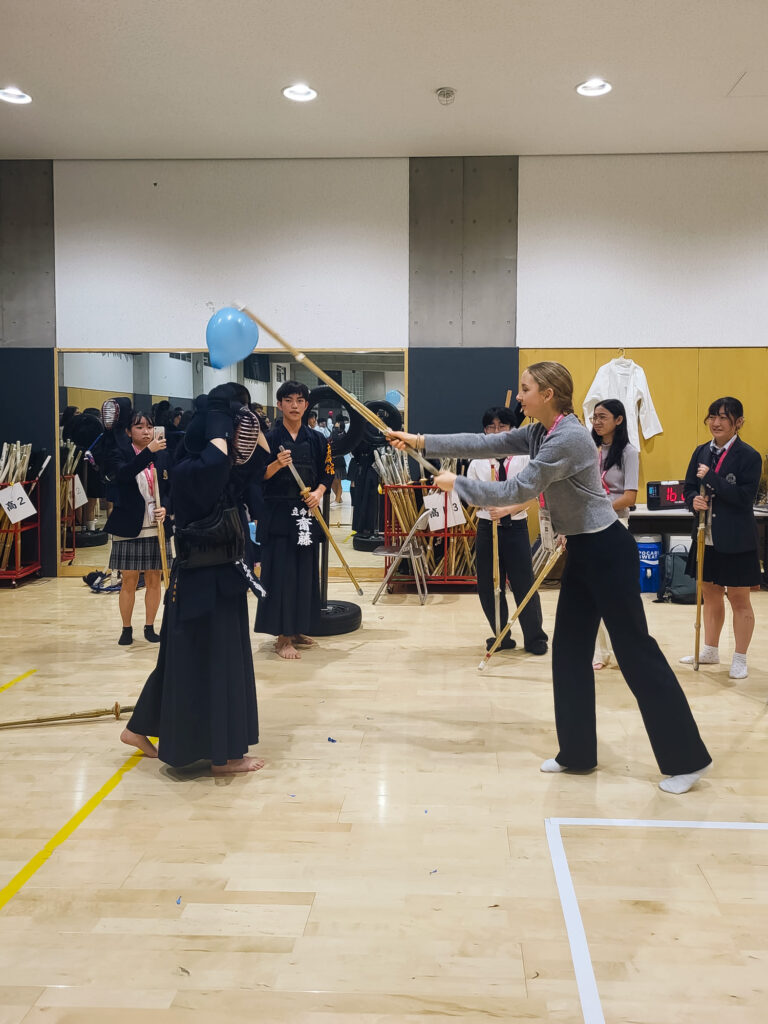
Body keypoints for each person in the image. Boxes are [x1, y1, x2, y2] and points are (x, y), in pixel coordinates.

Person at [389, 361, 711, 794]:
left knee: (636, 652)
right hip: (581, 548)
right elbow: (490, 443)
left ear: (549, 394)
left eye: (525, 389)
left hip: (608, 552)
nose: (518, 397)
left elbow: (515, 490)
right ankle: (577, 753)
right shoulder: (542, 431)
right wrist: (421, 440)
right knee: (569, 651)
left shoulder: (570, 438)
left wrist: (458, 485)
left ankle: (687, 760)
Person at [121, 384, 264, 773]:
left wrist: (240, 423)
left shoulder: (209, 464)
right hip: (204, 579)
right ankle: (222, 755)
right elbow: (217, 464)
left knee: (184, 657)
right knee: (211, 659)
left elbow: (253, 463)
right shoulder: (191, 469)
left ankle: (139, 727)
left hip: (214, 576)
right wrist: (220, 423)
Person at [680, 397, 762, 680]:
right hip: (706, 535)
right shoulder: (701, 451)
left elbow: (743, 498)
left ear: (738, 422)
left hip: (736, 538)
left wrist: (713, 479)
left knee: (739, 599)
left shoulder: (749, 456)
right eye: (711, 416)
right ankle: (711, 650)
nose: (715, 423)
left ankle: (739, 657)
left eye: (723, 418)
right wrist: (693, 501)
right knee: (710, 593)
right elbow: (689, 487)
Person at [254, 380, 334, 660]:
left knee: (304, 572)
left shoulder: (317, 439)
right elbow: (255, 476)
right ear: (279, 404)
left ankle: (298, 628)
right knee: (282, 575)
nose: (295, 406)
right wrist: (277, 464)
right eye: (289, 400)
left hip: (306, 513)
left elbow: (328, 473)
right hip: (277, 515)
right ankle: (282, 637)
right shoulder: (268, 438)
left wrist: (319, 493)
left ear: (307, 405)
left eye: (300, 401)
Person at [467, 405, 548, 655]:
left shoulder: (524, 456)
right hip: (486, 526)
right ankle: (501, 635)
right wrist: (485, 500)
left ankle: (535, 638)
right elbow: (469, 495)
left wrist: (508, 509)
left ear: (513, 429)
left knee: (524, 582)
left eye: (502, 426)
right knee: (489, 584)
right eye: (491, 426)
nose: (496, 431)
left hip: (515, 526)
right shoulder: (479, 459)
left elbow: (534, 493)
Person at [104, 411, 171, 646]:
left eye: (149, 427)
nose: (146, 431)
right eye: (139, 427)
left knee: (155, 578)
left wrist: (168, 508)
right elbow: (123, 475)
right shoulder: (119, 452)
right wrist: (148, 452)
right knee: (129, 579)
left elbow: (170, 486)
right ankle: (126, 628)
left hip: (157, 523)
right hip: (128, 523)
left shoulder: (163, 454)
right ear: (128, 431)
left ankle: (150, 626)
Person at [589, 399, 639, 670]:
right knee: (593, 592)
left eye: (603, 417)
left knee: (616, 594)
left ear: (618, 420)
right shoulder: (589, 448)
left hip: (616, 525)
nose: (597, 422)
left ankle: (625, 648)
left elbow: (629, 496)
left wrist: (600, 506)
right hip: (587, 526)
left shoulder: (629, 452)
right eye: (594, 417)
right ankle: (600, 650)